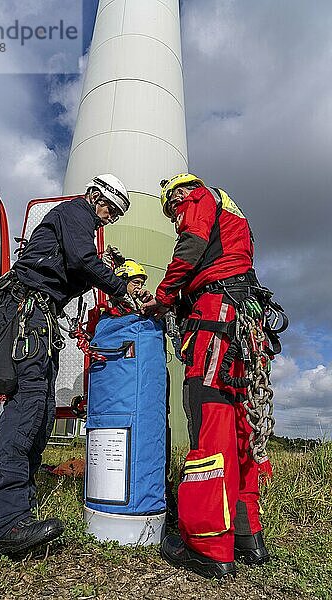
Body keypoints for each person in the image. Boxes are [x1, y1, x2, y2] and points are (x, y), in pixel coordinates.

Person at [0, 174, 131, 557]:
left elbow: (76, 273)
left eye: (115, 214)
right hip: (29, 312)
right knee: (28, 406)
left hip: (41, 316)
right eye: (109, 208)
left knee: (43, 412)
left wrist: (107, 273)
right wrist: (120, 286)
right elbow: (82, 260)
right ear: (96, 195)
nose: (108, 218)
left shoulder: (80, 225)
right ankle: (4, 522)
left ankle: (19, 509)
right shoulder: (75, 212)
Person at [142, 173, 271, 580]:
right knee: (240, 427)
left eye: (171, 210)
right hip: (244, 321)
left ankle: (208, 545)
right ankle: (248, 538)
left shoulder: (197, 199)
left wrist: (164, 297)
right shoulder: (233, 215)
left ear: (179, 193)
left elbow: (192, 245)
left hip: (215, 318)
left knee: (208, 420)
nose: (174, 218)